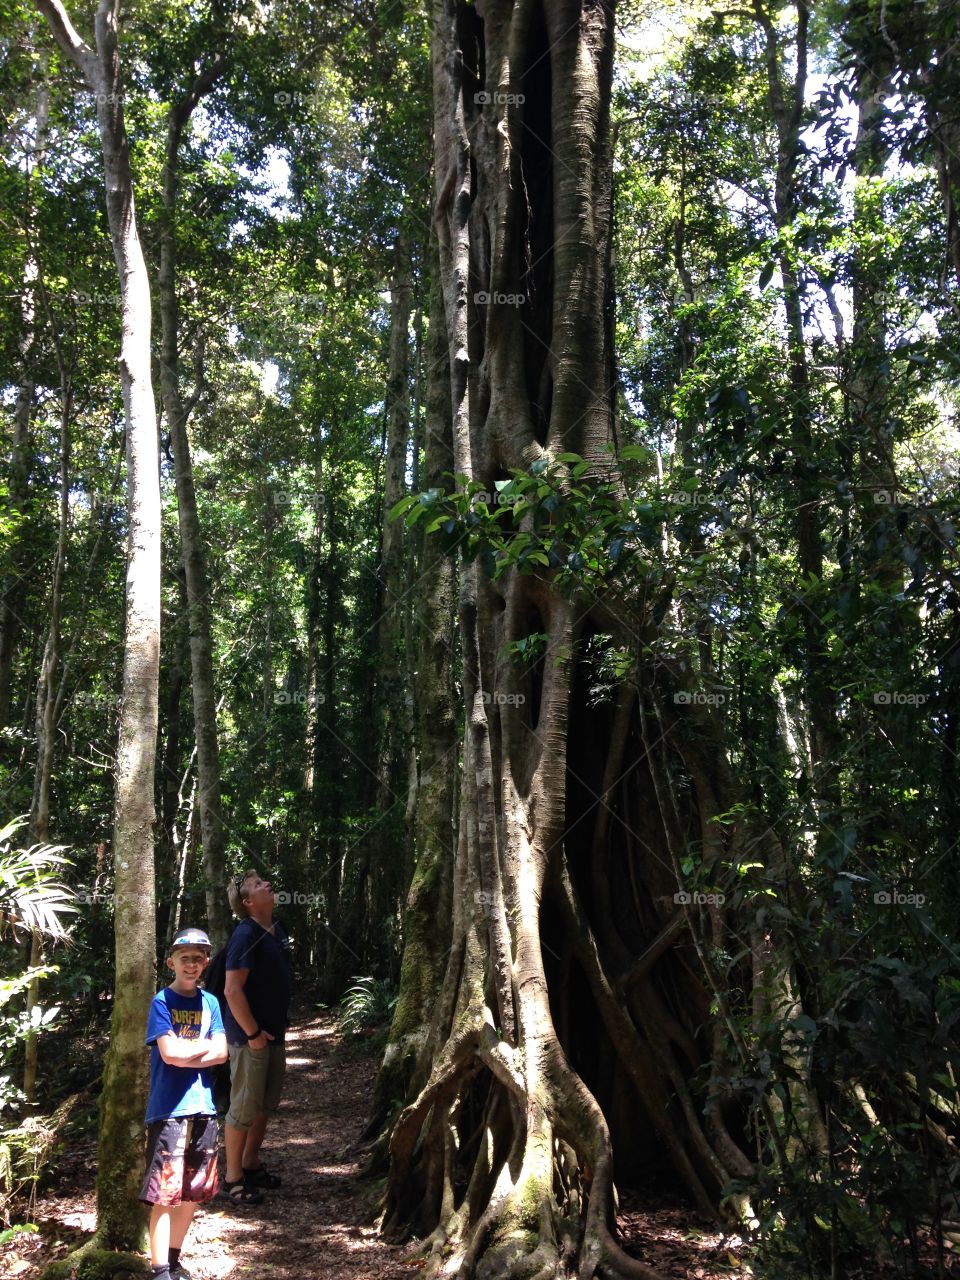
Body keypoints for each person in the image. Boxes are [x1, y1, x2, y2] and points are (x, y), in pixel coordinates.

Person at [140, 927, 227, 1280]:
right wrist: (198, 1050)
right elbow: (170, 1054)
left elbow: (222, 1053)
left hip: (204, 1106)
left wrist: (188, 1053)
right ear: (171, 961)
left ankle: (174, 1261)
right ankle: (159, 1269)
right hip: (169, 1108)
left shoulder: (211, 1003)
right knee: (164, 1191)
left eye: (198, 958)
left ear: (206, 963)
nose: (192, 964)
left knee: (194, 1189)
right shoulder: (162, 1001)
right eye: (185, 957)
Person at [221, 870, 293, 1204]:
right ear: (248, 901)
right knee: (244, 1107)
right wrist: (252, 1034)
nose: (267, 884)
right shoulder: (244, 934)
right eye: (258, 885)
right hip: (250, 1038)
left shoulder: (277, 929)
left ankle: (250, 1163)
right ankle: (232, 1177)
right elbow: (232, 990)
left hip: (274, 1033)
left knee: (265, 1104)